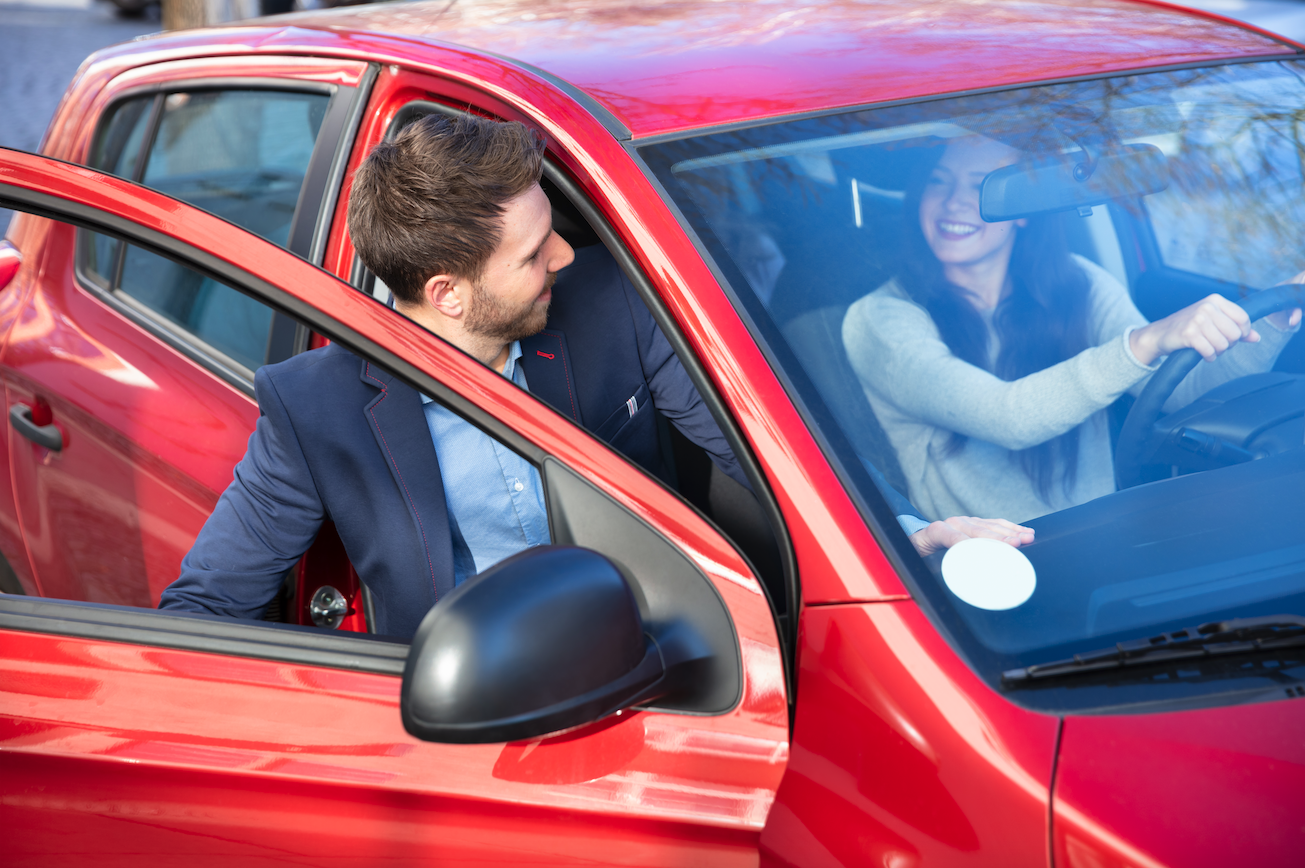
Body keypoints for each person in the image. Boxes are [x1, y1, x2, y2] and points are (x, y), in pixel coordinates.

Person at [158, 116, 1030, 638]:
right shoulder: (314, 406)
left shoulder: (611, 305)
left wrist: (897, 533)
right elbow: (204, 610)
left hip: (671, 663)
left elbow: (762, 453)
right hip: (475, 710)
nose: (569, 257)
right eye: (537, 252)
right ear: (447, 293)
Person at [843, 135, 1302, 525]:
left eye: (982, 187)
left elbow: (1178, 390)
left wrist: (1273, 320)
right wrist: (1145, 340)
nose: (954, 202)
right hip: (994, 569)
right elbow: (1008, 417)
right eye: (938, 183)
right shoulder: (882, 318)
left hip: (1106, 536)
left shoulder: (1076, 281)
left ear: (1022, 211)